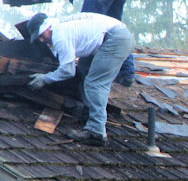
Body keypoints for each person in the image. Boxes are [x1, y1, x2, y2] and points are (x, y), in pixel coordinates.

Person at [25, 12, 134, 147]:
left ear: (48, 27)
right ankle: (90, 115)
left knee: (95, 83)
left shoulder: (60, 35)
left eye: (42, 35)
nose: (41, 40)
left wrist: (45, 78)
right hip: (112, 36)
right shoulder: (59, 27)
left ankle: (96, 133)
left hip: (115, 39)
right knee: (84, 70)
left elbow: (68, 71)